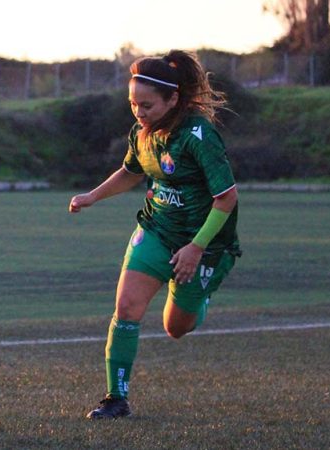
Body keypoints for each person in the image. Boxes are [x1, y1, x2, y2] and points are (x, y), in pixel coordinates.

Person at [69, 50, 241, 419]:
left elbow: (226, 198)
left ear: (173, 99)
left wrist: (196, 248)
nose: (139, 113)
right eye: (133, 104)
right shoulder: (141, 133)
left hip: (204, 243)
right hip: (157, 229)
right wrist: (92, 196)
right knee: (126, 308)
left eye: (146, 105)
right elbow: (131, 172)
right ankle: (116, 398)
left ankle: (200, 296)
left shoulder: (198, 135)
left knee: (176, 327)